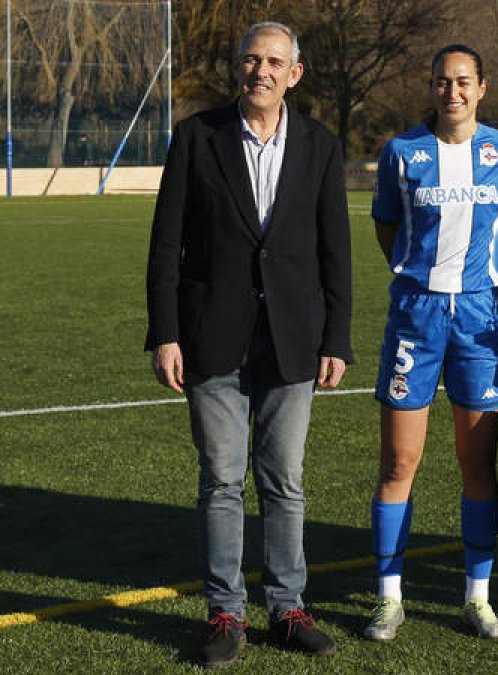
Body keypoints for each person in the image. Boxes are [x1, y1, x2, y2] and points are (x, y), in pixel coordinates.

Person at [145, 21, 351, 668]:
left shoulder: (320, 146)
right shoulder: (196, 138)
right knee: (222, 480)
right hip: (211, 338)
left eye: (273, 62)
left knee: (284, 481)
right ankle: (225, 613)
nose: (259, 70)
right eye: (250, 59)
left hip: (294, 339)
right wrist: (166, 331)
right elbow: (164, 247)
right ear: (239, 67)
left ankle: (288, 607)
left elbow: (335, 253)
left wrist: (336, 337)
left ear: (295, 74)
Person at [365, 43, 498, 642]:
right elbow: (388, 226)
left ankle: (477, 599)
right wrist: (418, 278)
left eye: (463, 81)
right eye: (441, 81)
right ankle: (389, 598)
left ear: (482, 87)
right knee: (399, 461)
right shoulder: (402, 153)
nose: (451, 92)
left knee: (476, 461)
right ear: (430, 87)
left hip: (479, 321)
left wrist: (480, 288)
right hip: (417, 316)